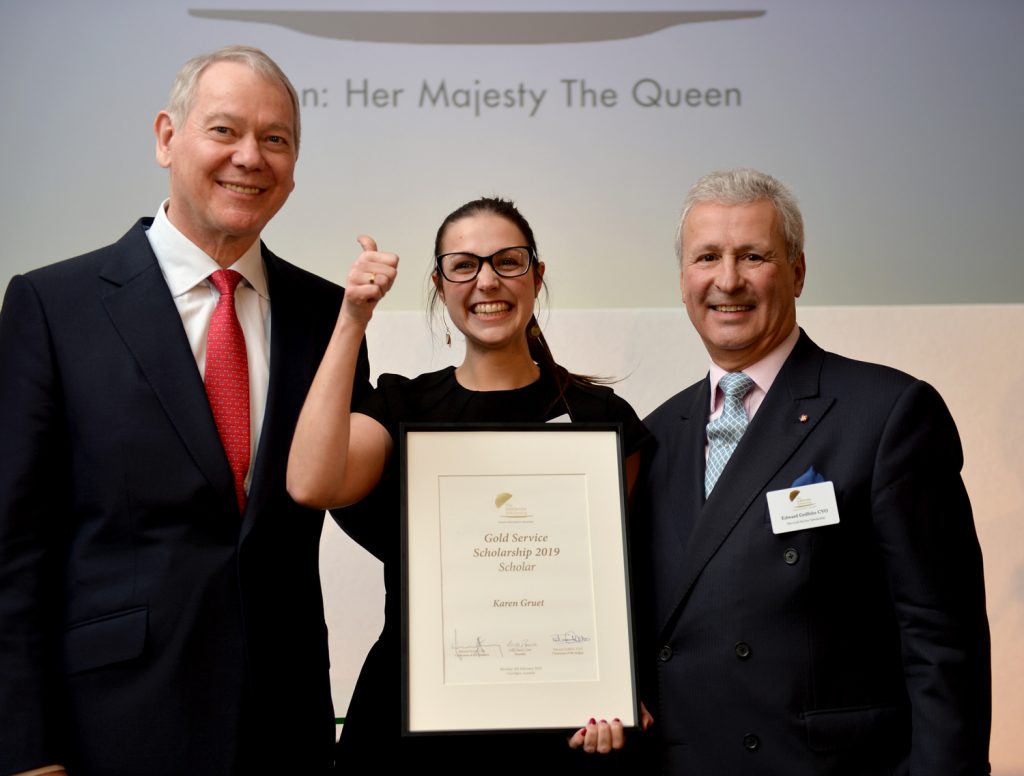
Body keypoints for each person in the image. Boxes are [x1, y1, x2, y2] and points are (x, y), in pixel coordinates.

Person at [0, 46, 370, 775]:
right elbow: (13, 548)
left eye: (276, 139)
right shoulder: (52, 306)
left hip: (285, 728)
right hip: (112, 730)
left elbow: (359, 502)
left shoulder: (330, 315)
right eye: (224, 130)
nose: (250, 158)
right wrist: (26, 752)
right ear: (167, 138)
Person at [633, 167, 991, 774]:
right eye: (707, 257)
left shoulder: (887, 414)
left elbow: (941, 643)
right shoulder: (656, 436)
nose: (728, 280)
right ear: (683, 280)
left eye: (754, 256)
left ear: (797, 271)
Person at [288, 197, 652, 772]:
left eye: (508, 261)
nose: (487, 280)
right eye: (463, 265)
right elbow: (311, 483)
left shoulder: (600, 418)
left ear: (537, 275)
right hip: (410, 724)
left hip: (558, 724)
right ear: (439, 285)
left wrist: (624, 687)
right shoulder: (401, 405)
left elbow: (622, 581)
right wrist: (353, 317)